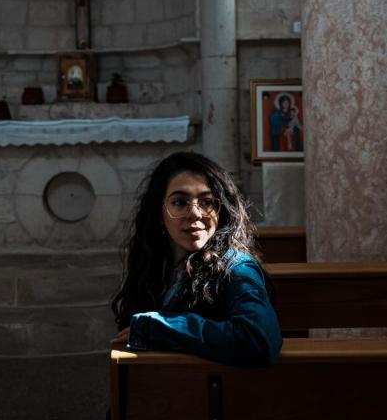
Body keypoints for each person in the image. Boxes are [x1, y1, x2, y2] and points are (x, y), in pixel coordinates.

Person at [110, 152, 282, 367]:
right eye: (180, 202)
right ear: (158, 213)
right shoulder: (156, 264)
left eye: (207, 202)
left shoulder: (237, 267)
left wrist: (163, 327)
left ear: (221, 211)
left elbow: (259, 340)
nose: (195, 213)